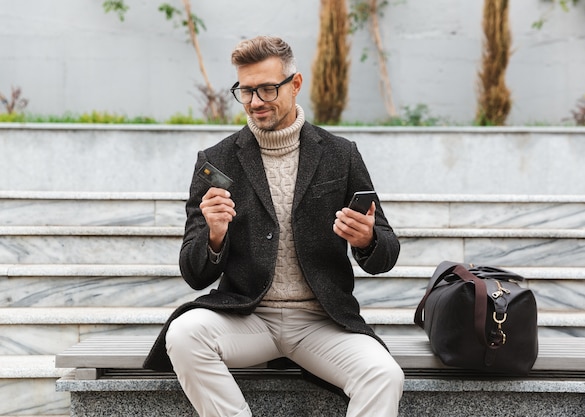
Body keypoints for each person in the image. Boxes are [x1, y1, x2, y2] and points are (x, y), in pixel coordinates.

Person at [144, 35, 403, 417]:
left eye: (267, 88)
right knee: (183, 334)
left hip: (322, 321)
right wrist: (214, 236)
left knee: (384, 375)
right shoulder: (216, 161)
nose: (255, 102)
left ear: (295, 84)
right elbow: (194, 274)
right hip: (247, 317)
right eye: (245, 91)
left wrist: (366, 239)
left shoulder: (340, 155)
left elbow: (386, 253)